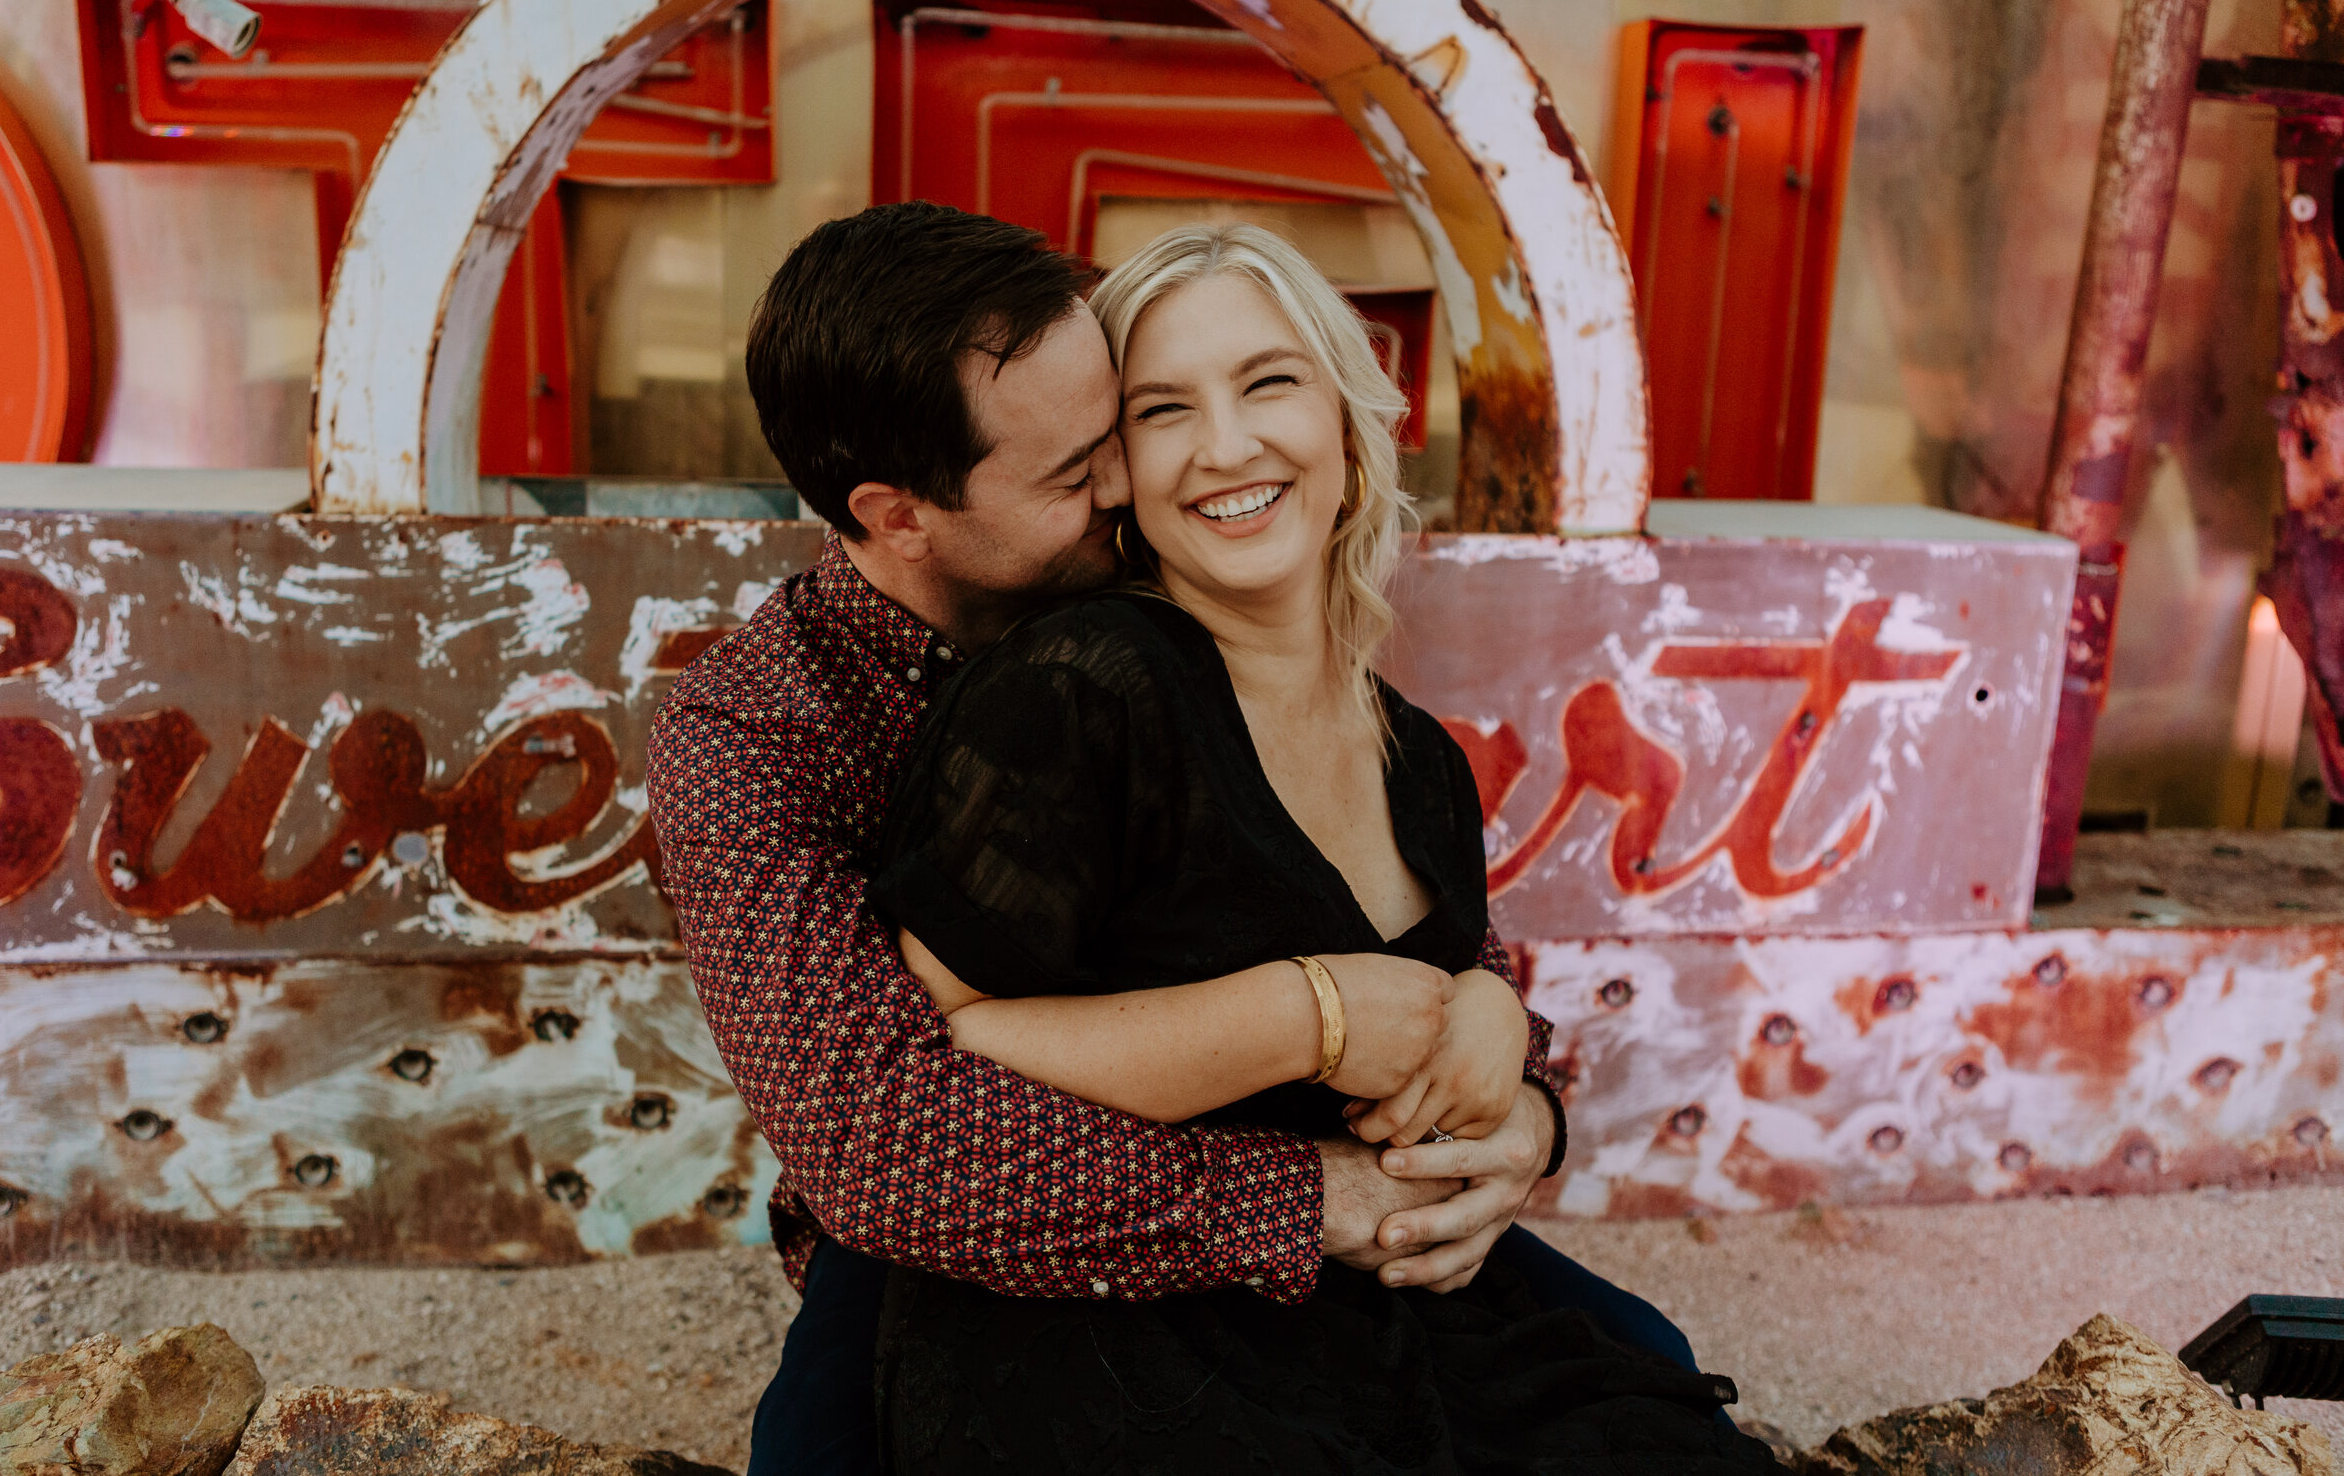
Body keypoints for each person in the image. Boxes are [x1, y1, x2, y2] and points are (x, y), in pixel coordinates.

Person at [645, 203, 1701, 1476]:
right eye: (1075, 468)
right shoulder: (753, 734)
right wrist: (1314, 1191)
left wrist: (1518, 1092)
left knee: (1641, 1361)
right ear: (900, 513)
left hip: (1283, 1137)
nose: (1132, 488)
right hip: (966, 1225)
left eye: (1113, 432)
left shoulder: (1231, 627)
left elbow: (1408, 932)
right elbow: (884, 1138)